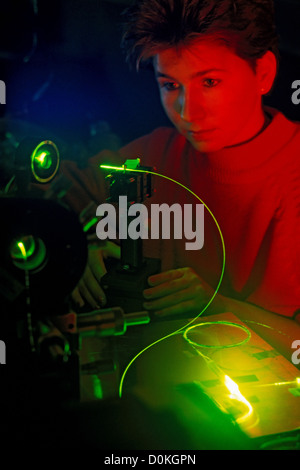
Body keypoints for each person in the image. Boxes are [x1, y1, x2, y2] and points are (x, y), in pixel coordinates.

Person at [60, 0, 300, 335]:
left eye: (210, 82)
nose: (188, 113)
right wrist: (77, 243)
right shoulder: (154, 155)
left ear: (263, 73)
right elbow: (53, 193)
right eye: (171, 86)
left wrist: (219, 308)